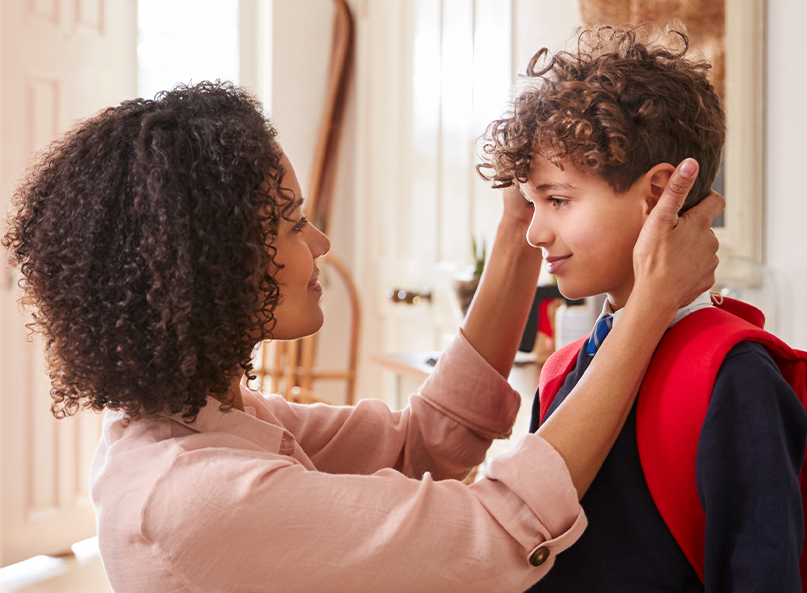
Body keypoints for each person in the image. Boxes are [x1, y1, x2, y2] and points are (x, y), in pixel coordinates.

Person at [2, 81, 722, 593]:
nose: (319, 240)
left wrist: (515, 229)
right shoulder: (196, 497)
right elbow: (500, 533)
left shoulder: (207, 419)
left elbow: (423, 445)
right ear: (208, 267)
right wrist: (649, 304)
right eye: (289, 224)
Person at [480, 24, 807, 592]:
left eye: (557, 199)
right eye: (531, 203)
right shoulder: (562, 374)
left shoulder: (734, 377)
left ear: (658, 193)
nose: (534, 231)